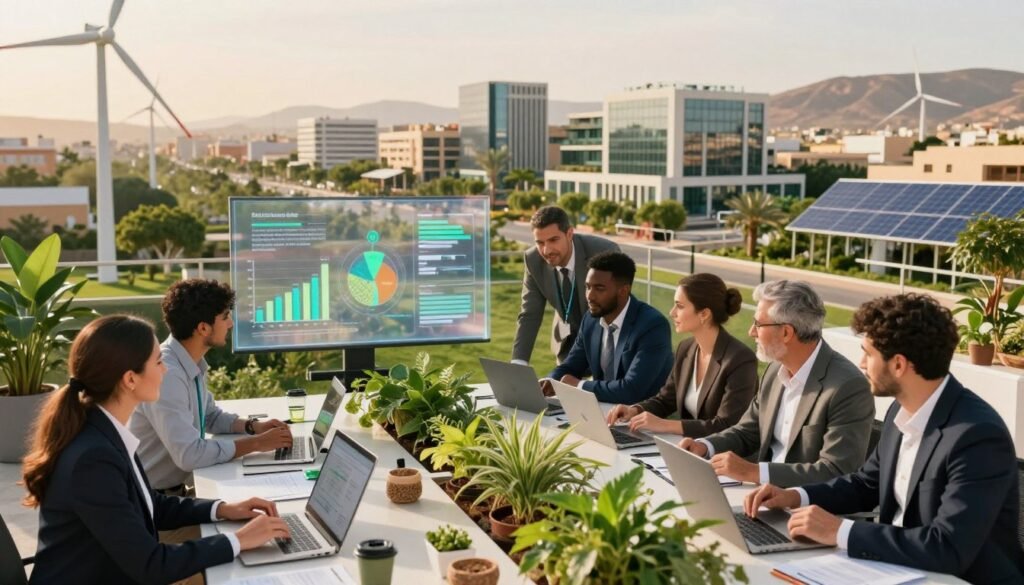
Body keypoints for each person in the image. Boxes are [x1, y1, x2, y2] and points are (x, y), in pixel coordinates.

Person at [746, 294, 1023, 584]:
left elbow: (948, 547)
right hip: (895, 570)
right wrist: (795, 495)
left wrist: (840, 531)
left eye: (868, 353)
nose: (861, 363)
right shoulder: (898, 410)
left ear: (899, 365)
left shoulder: (976, 436)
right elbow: (866, 484)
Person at [21, 315, 291, 585]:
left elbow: (150, 505)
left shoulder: (104, 431)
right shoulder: (93, 458)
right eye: (158, 362)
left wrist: (223, 509)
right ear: (130, 379)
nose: (164, 371)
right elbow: (152, 565)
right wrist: (238, 540)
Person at [677, 280, 874, 487]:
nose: (751, 332)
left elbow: (836, 470)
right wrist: (705, 446)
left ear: (786, 333)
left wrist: (754, 471)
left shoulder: (847, 387)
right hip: (759, 496)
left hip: (808, 509)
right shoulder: (774, 371)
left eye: (758, 324)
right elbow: (748, 431)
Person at [131, 279, 293, 496]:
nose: (231, 323)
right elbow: (189, 455)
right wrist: (256, 444)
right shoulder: (168, 374)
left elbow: (209, 417)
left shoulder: (187, 361)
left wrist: (253, 427)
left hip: (173, 496)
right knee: (255, 521)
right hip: (154, 509)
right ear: (203, 328)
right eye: (225, 317)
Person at [606, 273, 757, 437]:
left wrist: (665, 425)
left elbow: (726, 425)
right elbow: (665, 400)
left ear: (704, 314)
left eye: (680, 306)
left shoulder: (740, 359)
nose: (672, 312)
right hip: (686, 448)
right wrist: (634, 410)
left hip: (724, 456)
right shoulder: (686, 349)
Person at [543, 251, 673, 404]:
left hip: (645, 417)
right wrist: (549, 381)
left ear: (623, 291)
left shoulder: (652, 326)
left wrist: (578, 385)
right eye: (587, 287)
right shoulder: (591, 320)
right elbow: (571, 365)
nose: (590, 296)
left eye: (599, 288)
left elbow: (631, 390)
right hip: (600, 410)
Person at [511, 205, 619, 365]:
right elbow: (529, 315)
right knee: (560, 385)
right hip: (566, 342)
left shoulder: (604, 252)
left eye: (553, 240)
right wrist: (518, 364)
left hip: (604, 340)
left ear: (569, 234)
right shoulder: (533, 260)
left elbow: (615, 311)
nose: (546, 250)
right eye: (540, 242)